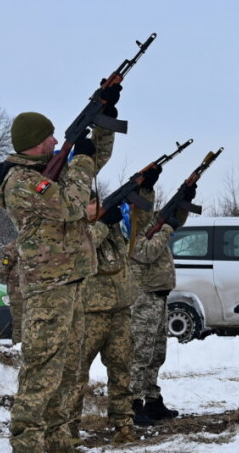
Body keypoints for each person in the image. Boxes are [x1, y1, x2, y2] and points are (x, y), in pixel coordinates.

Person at [0, 93, 118, 452]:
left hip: (71, 281)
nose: (55, 141)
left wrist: (104, 124)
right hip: (48, 287)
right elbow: (73, 205)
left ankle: (60, 441)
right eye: (48, 137)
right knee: (42, 371)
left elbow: (93, 159)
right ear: (34, 143)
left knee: (69, 371)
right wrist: (82, 160)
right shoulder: (22, 182)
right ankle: (27, 443)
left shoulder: (47, 169)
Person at [66, 182, 158, 446]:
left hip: (119, 312)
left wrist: (146, 190)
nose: (93, 207)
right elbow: (83, 248)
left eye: (96, 202)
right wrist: (104, 223)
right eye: (89, 203)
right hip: (88, 313)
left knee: (121, 372)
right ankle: (69, 431)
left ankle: (123, 426)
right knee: (76, 375)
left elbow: (143, 225)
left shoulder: (114, 226)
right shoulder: (75, 229)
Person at [129, 176, 194, 422]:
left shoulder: (149, 221)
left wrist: (185, 200)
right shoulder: (129, 225)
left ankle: (152, 400)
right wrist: (166, 228)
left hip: (158, 296)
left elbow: (173, 220)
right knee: (140, 353)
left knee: (156, 353)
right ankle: (132, 404)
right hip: (143, 296)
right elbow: (146, 252)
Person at [0, 240, 23, 344]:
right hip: (39, 290)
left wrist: (8, 279)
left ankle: (18, 349)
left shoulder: (14, 246)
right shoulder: (41, 241)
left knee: (19, 322)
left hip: (18, 289)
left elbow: (3, 268)